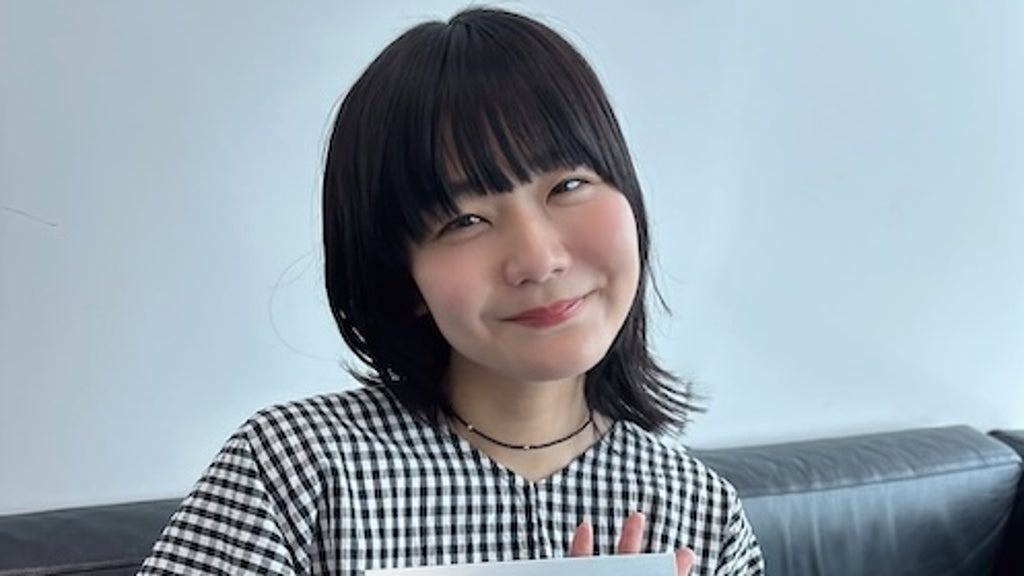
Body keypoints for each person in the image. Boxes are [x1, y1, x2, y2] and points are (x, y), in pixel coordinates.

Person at [139, 7, 764, 576]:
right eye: (464, 221)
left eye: (568, 186)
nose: (538, 260)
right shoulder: (294, 473)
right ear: (401, 274)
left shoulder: (699, 513)